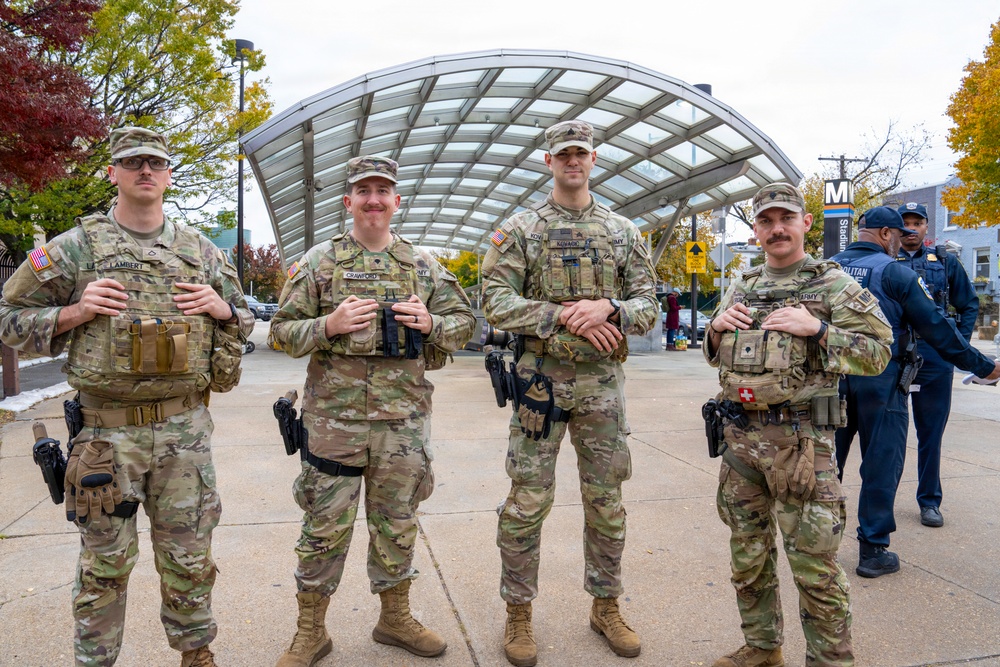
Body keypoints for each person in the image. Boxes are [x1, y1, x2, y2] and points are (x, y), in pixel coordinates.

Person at [0, 127, 253, 667]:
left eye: (155, 163)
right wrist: (75, 311)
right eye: (132, 162)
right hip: (105, 436)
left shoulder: (202, 252)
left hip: (185, 434)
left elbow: (247, 318)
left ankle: (196, 655)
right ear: (112, 172)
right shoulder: (75, 248)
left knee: (190, 557)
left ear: (167, 175)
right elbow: (8, 319)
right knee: (104, 566)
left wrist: (224, 309)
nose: (145, 171)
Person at [268, 156, 475, 667]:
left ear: (397, 200)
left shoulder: (421, 264)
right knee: (323, 528)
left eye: (384, 190)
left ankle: (394, 618)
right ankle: (310, 630)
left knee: (398, 523)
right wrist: (328, 326)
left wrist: (432, 324)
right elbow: (279, 333)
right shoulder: (319, 262)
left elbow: (465, 322)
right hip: (333, 426)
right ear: (349, 201)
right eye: (364, 190)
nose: (374, 199)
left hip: (402, 426)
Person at [481, 120, 659, 666]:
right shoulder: (521, 231)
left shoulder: (623, 232)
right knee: (526, 503)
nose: (572, 162)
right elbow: (492, 300)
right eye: (563, 155)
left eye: (580, 154)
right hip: (541, 386)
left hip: (603, 389)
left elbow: (649, 305)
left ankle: (605, 605)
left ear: (595, 159)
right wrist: (564, 315)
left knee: (606, 503)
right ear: (548, 162)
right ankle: (518, 613)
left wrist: (610, 309)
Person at [703, 183, 893, 667]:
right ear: (756, 229)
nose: (776, 229)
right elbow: (716, 356)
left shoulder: (832, 286)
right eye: (766, 221)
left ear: (806, 223)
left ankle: (830, 660)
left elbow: (879, 354)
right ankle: (762, 648)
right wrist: (715, 329)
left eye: (786, 218)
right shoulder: (743, 284)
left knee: (814, 565)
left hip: (802, 446)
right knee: (748, 557)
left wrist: (821, 330)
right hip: (741, 443)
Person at [833, 207, 1000, 579]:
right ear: (887, 234)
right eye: (900, 232)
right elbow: (937, 328)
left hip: (830, 381)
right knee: (880, 462)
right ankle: (872, 551)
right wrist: (983, 365)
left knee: (826, 463)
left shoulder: (824, 268)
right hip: (881, 378)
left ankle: (818, 547)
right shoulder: (896, 272)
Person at [894, 202, 979, 527]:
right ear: (896, 228)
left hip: (935, 359)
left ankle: (929, 501)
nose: (911, 228)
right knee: (891, 434)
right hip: (897, 356)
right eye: (906, 223)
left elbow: (968, 303)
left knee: (931, 433)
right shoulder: (888, 262)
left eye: (918, 222)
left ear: (927, 227)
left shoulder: (945, 261)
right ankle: (883, 499)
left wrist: (957, 345)